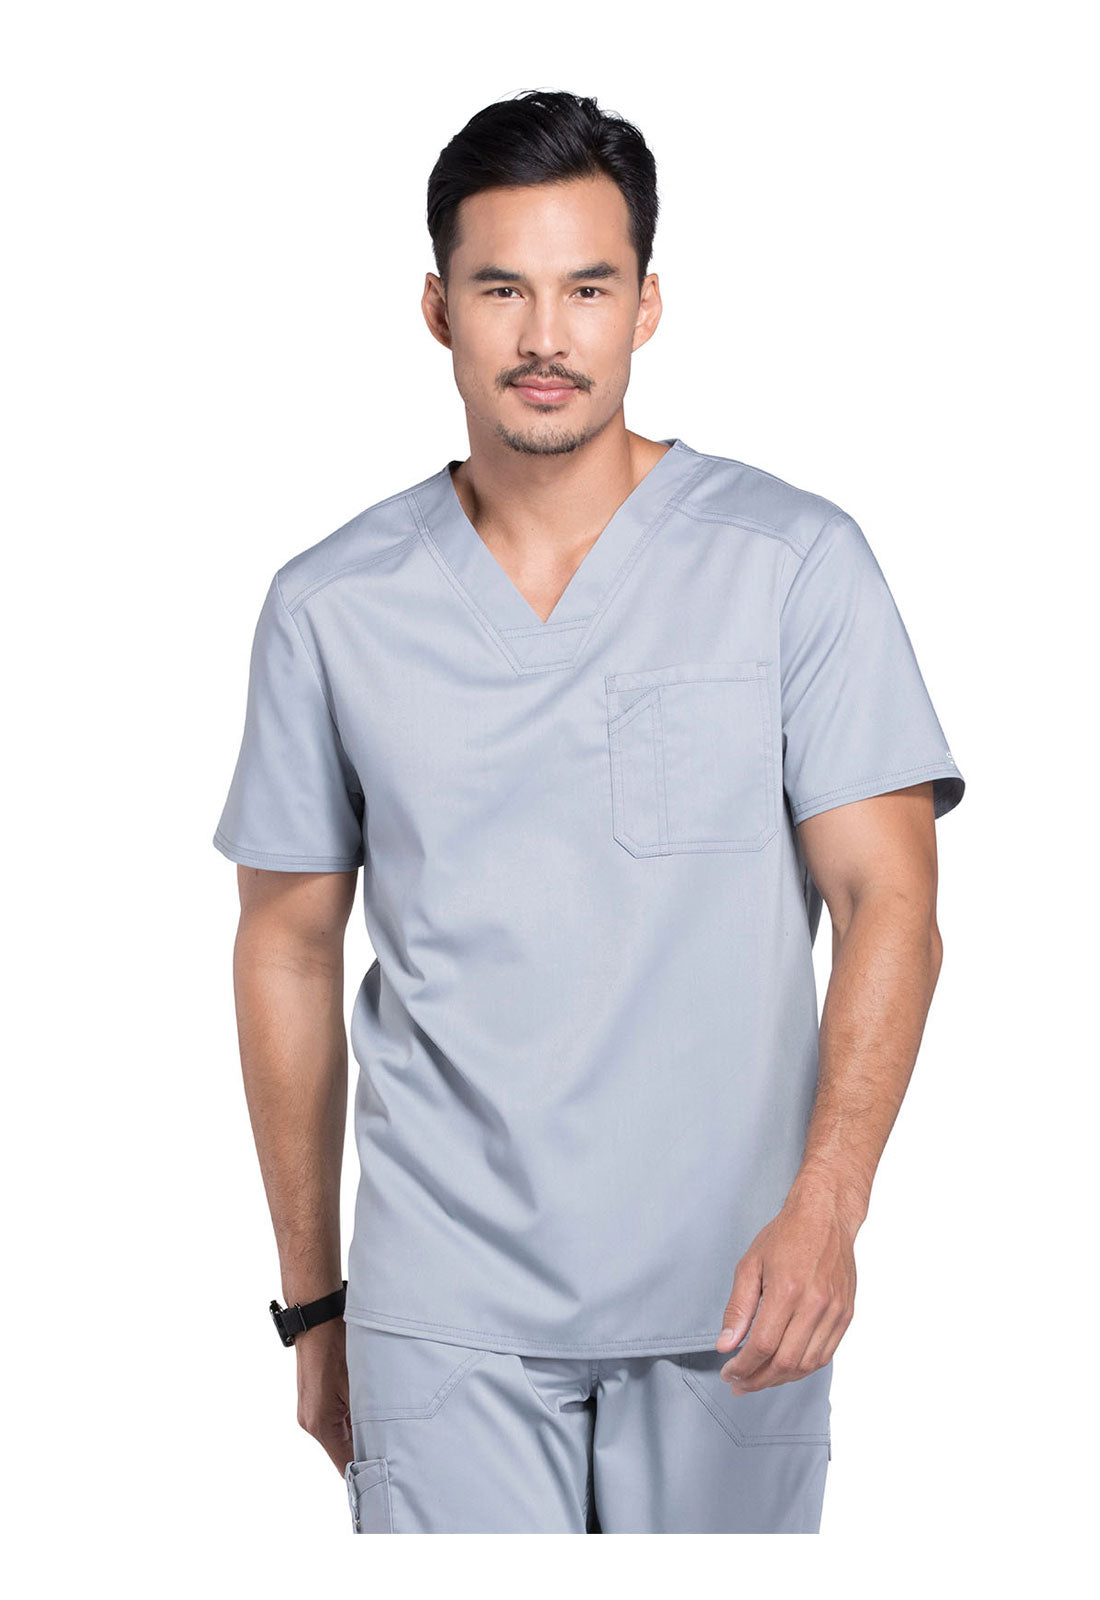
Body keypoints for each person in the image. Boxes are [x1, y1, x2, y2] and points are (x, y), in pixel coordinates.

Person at [212, 88, 965, 1535]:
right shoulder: (332, 605)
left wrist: (830, 1207)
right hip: (445, 1306)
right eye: (503, 289)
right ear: (438, 309)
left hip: (738, 1294)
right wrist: (316, 1301)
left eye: (587, 288)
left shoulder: (792, 564)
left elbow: (892, 901)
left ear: (647, 307)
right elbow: (287, 947)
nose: (545, 336)